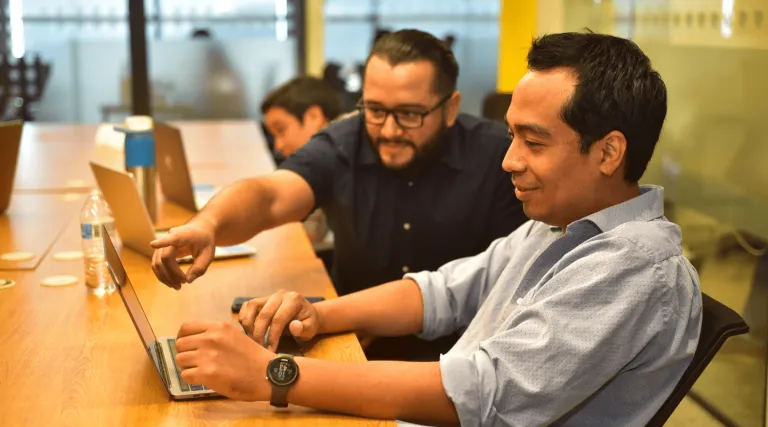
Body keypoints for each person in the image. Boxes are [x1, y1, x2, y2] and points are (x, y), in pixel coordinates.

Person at [169, 31, 702, 426]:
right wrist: (319, 315)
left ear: (609, 152)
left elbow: (482, 393)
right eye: (512, 136)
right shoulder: (561, 224)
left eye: (533, 143)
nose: (509, 160)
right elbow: (444, 292)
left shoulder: (634, 268)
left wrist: (273, 375)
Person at [151, 29, 527, 360]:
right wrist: (209, 224)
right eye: (376, 110)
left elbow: (512, 285)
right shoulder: (346, 142)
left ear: (450, 109)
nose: (389, 130)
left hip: (462, 357)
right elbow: (270, 195)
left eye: (410, 114)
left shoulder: (500, 159)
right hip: (350, 341)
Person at [260, 76, 343, 246]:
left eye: (281, 130)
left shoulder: (339, 153)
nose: (278, 146)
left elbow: (308, 236)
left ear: (313, 117)